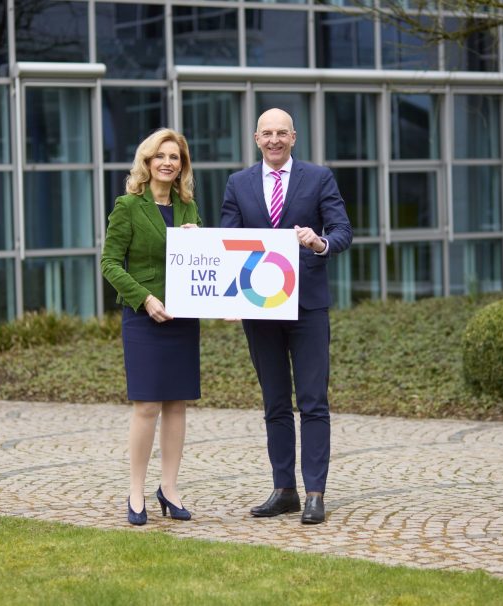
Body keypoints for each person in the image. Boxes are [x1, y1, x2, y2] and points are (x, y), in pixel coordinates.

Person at [220, 108, 352, 524]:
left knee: (313, 402)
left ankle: (315, 493)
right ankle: (284, 489)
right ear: (256, 138)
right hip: (259, 309)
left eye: (282, 133)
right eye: (267, 133)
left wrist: (319, 242)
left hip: (307, 306)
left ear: (294, 137)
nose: (274, 140)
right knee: (274, 402)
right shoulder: (238, 184)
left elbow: (343, 232)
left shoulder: (319, 178)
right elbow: (228, 241)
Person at [101, 128, 202, 526]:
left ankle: (170, 489)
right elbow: (110, 263)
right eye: (160, 156)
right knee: (146, 407)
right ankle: (136, 491)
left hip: (183, 318)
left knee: (177, 404)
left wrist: (202, 238)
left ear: (182, 166)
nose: (167, 162)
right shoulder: (127, 206)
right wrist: (144, 298)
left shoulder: (188, 208)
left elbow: (204, 261)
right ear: (147, 162)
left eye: (175, 157)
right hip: (143, 317)